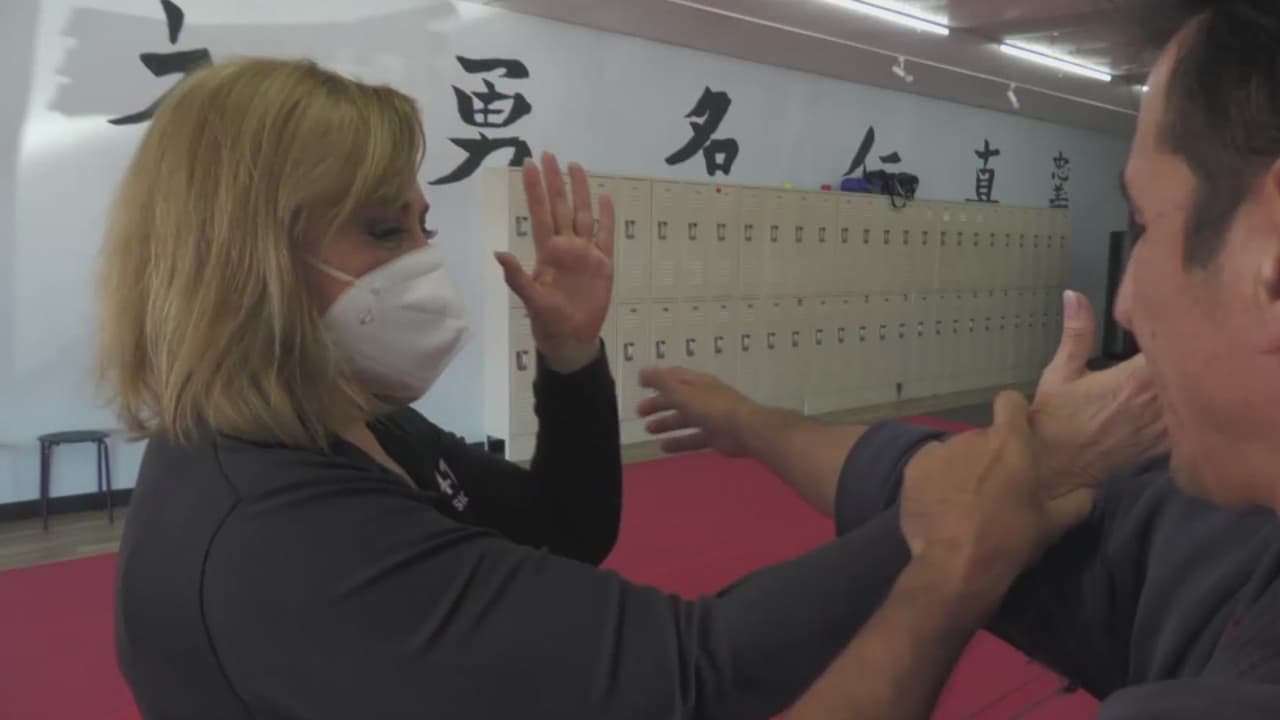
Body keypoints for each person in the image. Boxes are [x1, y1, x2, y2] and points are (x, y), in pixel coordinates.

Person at [98, 57, 1161, 719]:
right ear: (245, 260)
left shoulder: (352, 425)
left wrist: (569, 359)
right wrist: (970, 502)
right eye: (384, 230)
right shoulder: (279, 539)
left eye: (420, 225)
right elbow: (693, 674)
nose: (423, 258)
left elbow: (562, 530)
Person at [640, 1, 1280, 716]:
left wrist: (947, 580)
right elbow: (924, 485)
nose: (1125, 304)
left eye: (1146, 224)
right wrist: (749, 421)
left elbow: (961, 517)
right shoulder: (1219, 527)